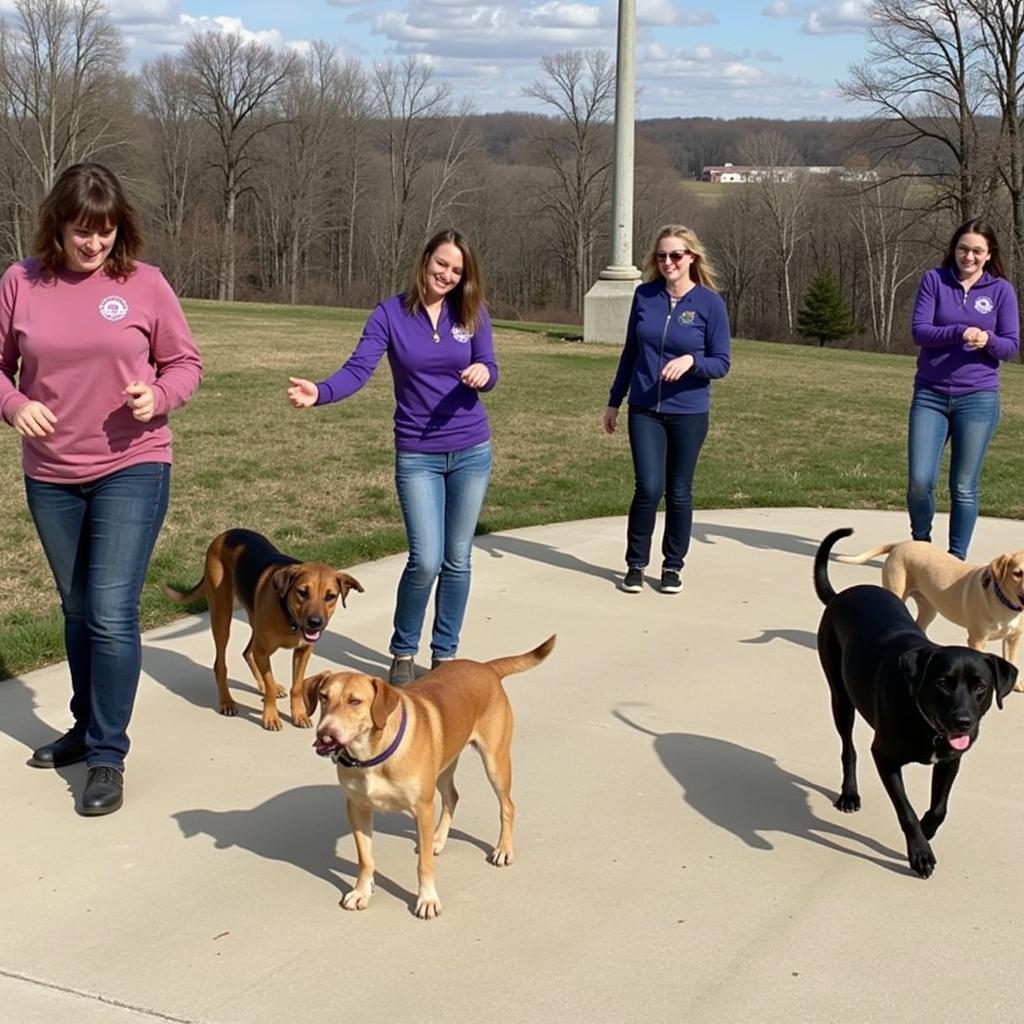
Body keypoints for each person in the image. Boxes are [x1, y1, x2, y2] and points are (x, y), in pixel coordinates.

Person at [0, 163, 202, 815]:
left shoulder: (143, 285)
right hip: (52, 474)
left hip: (133, 465)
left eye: (106, 232)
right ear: (58, 224)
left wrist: (160, 394)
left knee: (112, 611)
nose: (94, 244)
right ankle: (84, 729)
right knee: (79, 608)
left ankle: (108, 755)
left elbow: (185, 363)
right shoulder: (20, 282)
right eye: (83, 231)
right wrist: (12, 403)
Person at [287, 229, 497, 686]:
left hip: (471, 450)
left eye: (457, 270)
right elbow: (359, 369)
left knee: (457, 558)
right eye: (441, 264)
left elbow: (490, 367)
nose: (447, 274)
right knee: (425, 558)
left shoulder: (473, 313)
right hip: (418, 453)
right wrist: (320, 392)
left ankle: (445, 656)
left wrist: (484, 371)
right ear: (425, 262)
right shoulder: (390, 314)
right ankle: (403, 651)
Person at [603, 224, 731, 594]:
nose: (669, 262)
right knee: (648, 487)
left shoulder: (710, 304)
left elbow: (721, 362)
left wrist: (692, 360)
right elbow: (630, 353)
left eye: (676, 255)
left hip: (689, 411)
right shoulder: (645, 296)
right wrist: (615, 400)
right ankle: (635, 564)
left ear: (691, 257)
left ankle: (673, 565)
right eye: (662, 256)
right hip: (644, 407)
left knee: (678, 490)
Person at [908, 218, 1020, 560]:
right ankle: (921, 549)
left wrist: (987, 340)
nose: (968, 256)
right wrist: (960, 331)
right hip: (930, 394)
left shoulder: (1001, 290)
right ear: (953, 249)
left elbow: (1011, 346)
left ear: (988, 255)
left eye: (976, 251)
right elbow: (920, 331)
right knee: (920, 480)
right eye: (962, 249)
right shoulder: (934, 281)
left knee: (963, 486)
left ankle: (955, 560)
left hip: (978, 398)